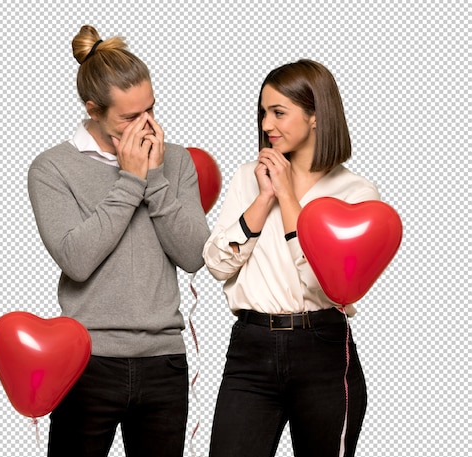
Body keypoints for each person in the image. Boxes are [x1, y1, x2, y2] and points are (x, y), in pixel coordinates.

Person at [27, 25, 210, 457]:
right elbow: (76, 259)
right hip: (86, 362)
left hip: (164, 361)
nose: (146, 126)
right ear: (93, 108)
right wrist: (131, 180)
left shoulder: (175, 160)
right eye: (130, 117)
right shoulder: (52, 168)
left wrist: (157, 178)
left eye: (150, 109)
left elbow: (192, 255)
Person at [203, 59, 380, 457]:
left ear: (316, 115)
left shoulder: (355, 194)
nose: (267, 124)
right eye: (263, 112)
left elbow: (330, 286)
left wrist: (286, 198)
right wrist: (263, 197)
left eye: (279, 112)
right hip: (250, 347)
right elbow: (216, 264)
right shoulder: (249, 176)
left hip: (323, 352)